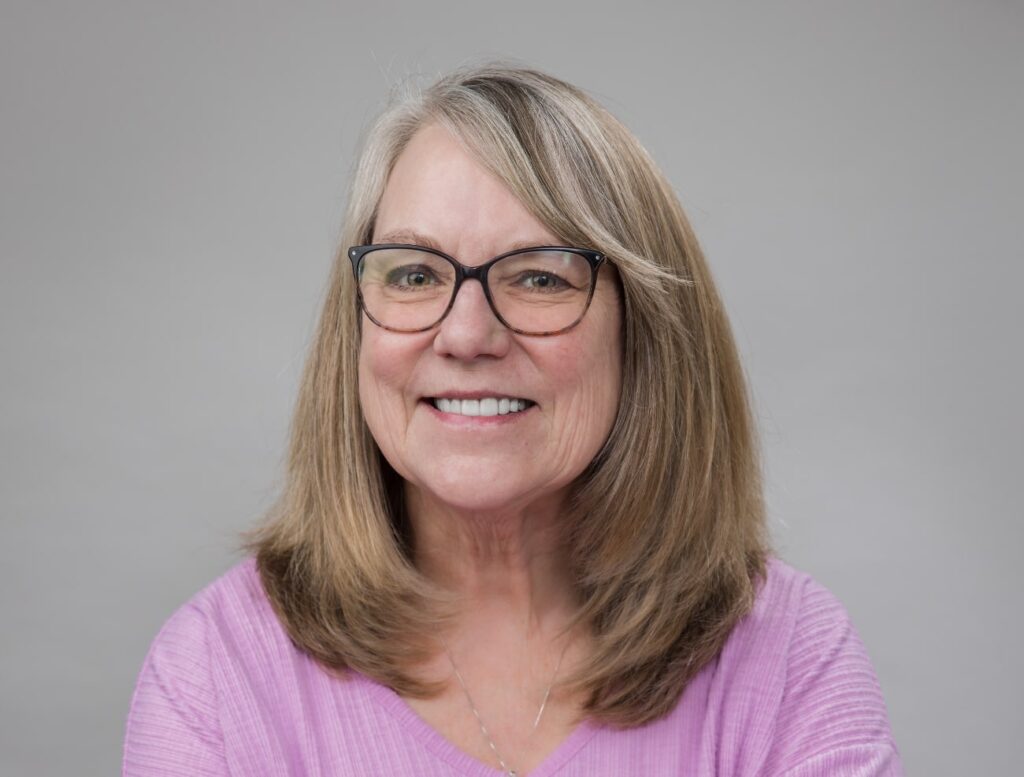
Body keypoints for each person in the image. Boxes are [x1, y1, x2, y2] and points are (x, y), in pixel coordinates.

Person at [123, 64, 904, 776]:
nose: (465, 335)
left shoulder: (789, 656)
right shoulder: (218, 673)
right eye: (415, 273)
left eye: (538, 276)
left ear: (644, 334)